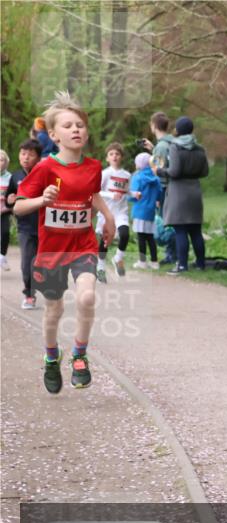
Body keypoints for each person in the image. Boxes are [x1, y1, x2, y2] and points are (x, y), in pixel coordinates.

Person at [13, 91, 116, 393]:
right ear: (54, 135)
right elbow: (19, 205)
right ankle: (50, 357)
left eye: (80, 125)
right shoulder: (45, 168)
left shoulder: (94, 166)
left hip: (83, 245)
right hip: (52, 250)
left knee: (86, 298)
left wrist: (108, 219)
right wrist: (39, 200)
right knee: (53, 311)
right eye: (68, 126)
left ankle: (80, 355)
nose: (76, 130)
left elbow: (93, 195)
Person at [162, 116, 209, 274]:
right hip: (194, 190)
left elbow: (174, 172)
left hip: (179, 192)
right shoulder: (199, 148)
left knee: (180, 229)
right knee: (196, 230)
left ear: (178, 130)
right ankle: (201, 264)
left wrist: (161, 171)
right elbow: (205, 172)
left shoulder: (175, 147)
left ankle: (182, 265)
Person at [7, 139, 43, 309]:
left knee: (41, 264)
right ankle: (29, 294)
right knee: (26, 263)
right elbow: (9, 200)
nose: (26, 157)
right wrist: (10, 200)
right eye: (23, 154)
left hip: (45, 226)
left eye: (30, 154)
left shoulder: (45, 174)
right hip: (25, 227)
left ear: (38, 157)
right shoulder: (15, 176)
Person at [96, 142, 131, 280]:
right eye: (111, 154)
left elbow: (126, 191)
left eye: (117, 154)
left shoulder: (127, 175)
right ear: (107, 158)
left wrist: (135, 194)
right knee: (105, 241)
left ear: (121, 157)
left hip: (121, 212)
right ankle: (100, 268)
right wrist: (111, 195)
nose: (114, 156)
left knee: (125, 234)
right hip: (107, 212)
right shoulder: (105, 174)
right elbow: (97, 191)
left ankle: (118, 258)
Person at [144, 111, 174, 264]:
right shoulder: (170, 142)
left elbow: (159, 169)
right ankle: (173, 253)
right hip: (172, 187)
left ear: (154, 126)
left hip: (163, 187)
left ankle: (171, 254)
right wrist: (153, 149)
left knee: (166, 221)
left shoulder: (162, 146)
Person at [129, 152, 162, 269]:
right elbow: (159, 193)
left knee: (141, 237)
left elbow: (132, 194)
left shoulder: (137, 177)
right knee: (150, 237)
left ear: (138, 164)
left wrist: (129, 196)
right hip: (151, 211)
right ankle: (154, 262)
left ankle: (142, 262)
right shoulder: (156, 178)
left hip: (139, 210)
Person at [0, 150, 10, 271]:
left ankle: (2, 257)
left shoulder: (10, 177)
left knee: (5, 233)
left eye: (1, 160)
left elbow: (14, 193)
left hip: (4, 211)